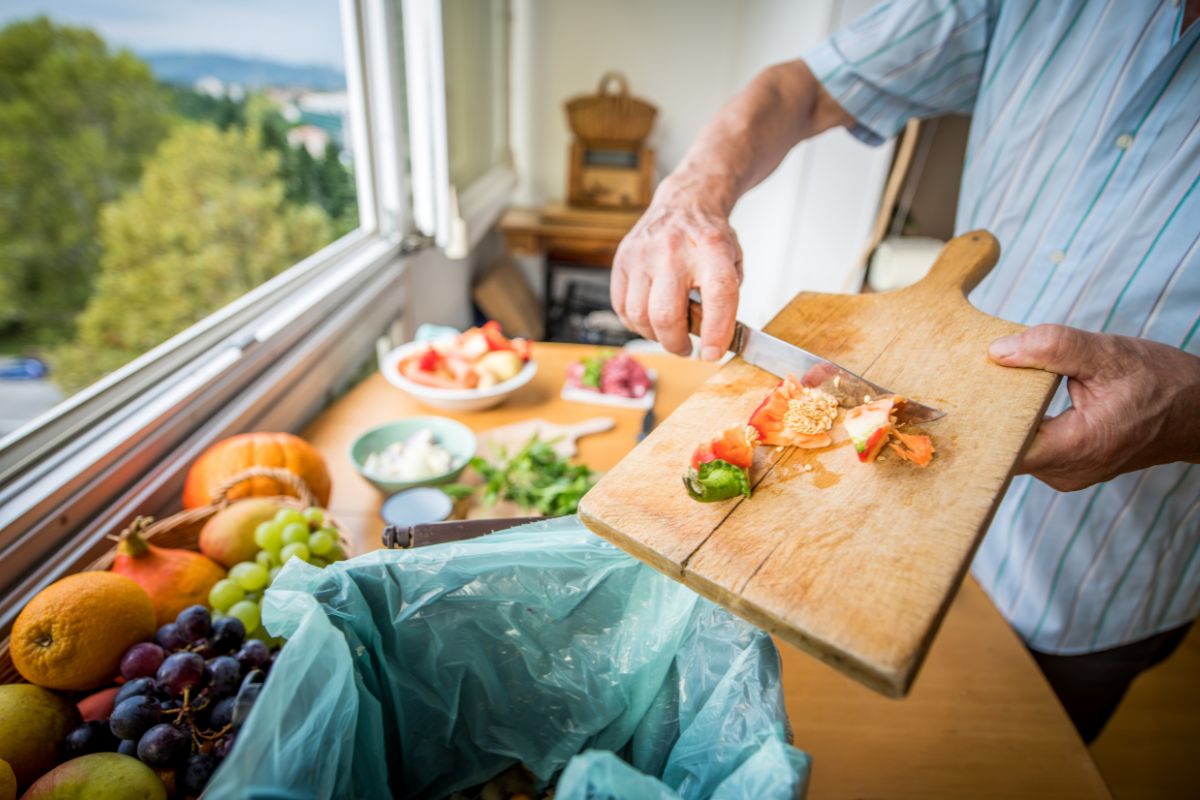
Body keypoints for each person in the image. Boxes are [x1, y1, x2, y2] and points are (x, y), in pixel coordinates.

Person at [612, 0, 1200, 743]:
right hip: (881, 544)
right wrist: (687, 191)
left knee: (1000, 763)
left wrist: (1189, 409)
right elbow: (802, 86)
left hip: (1091, 572)